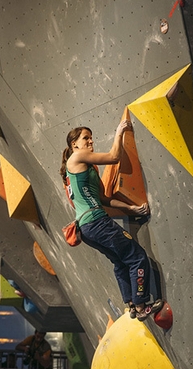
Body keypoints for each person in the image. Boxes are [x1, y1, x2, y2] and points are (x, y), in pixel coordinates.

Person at [60, 121, 164, 321]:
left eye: (91, 137)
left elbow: (105, 199)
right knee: (138, 257)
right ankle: (142, 305)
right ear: (74, 144)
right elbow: (114, 157)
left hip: (87, 228)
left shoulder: (86, 168)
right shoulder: (78, 157)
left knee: (120, 262)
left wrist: (130, 208)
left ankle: (132, 304)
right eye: (85, 138)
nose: (91, 141)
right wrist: (119, 132)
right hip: (97, 223)